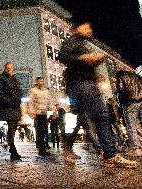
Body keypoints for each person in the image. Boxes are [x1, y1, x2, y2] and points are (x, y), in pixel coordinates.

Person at [58, 21, 137, 168]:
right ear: (76, 28)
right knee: (101, 115)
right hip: (82, 84)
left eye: (90, 27)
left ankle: (70, 148)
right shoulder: (73, 41)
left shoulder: (84, 42)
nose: (89, 30)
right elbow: (62, 56)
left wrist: (95, 69)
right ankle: (109, 154)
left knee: (83, 120)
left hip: (83, 84)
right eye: (85, 27)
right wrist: (84, 58)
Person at [0, 62, 22, 161]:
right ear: (5, 68)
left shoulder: (14, 79)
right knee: (11, 127)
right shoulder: (1, 79)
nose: (9, 70)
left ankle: (11, 147)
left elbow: (19, 91)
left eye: (11, 68)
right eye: (7, 68)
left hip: (15, 106)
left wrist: (18, 100)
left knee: (14, 127)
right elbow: (0, 93)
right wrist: (10, 102)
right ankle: (13, 149)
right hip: (8, 107)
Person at [28, 77, 52, 156]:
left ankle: (43, 148)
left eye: (42, 81)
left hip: (44, 114)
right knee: (39, 132)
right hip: (37, 114)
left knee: (45, 131)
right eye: (40, 81)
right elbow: (31, 102)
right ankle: (41, 149)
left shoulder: (46, 91)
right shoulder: (33, 91)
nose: (41, 83)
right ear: (37, 82)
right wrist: (32, 112)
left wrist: (54, 111)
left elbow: (49, 102)